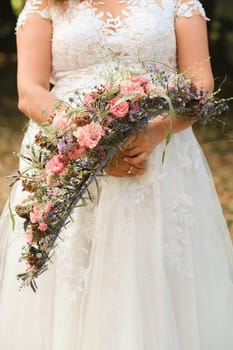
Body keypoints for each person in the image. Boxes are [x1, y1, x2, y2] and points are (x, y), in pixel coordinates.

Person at [0, 0, 233, 349]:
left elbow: (199, 84)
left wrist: (153, 133)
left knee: (155, 278)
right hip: (70, 156)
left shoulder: (180, 3)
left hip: (159, 160)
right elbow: (29, 92)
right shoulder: (44, 4)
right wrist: (94, 143)